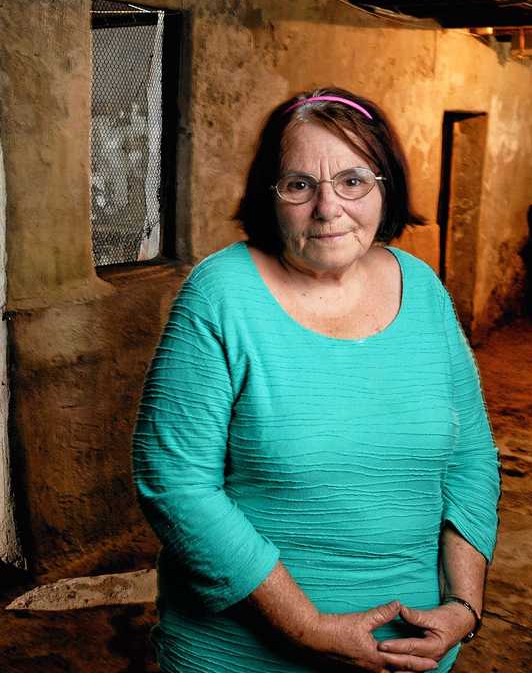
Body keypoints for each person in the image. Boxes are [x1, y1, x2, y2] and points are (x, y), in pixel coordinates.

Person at [132, 87, 501, 673]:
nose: (329, 208)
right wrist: (308, 627)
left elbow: (470, 457)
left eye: (353, 181)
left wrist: (464, 605)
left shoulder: (422, 288)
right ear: (270, 196)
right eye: (300, 185)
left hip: (409, 649)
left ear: (385, 187)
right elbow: (176, 482)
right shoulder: (221, 294)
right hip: (242, 651)